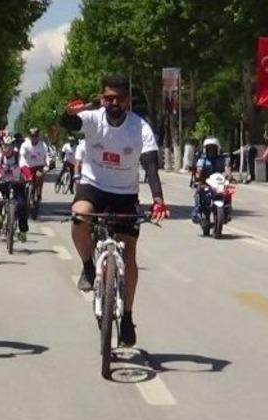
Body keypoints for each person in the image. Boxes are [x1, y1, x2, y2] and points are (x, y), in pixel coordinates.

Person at [60, 74, 169, 347]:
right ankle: (87, 266)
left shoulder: (139, 127)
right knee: (79, 215)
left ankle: (127, 318)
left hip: (125, 194)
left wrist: (158, 198)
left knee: (129, 252)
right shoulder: (93, 118)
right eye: (109, 98)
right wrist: (68, 113)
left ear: (128, 101)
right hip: (94, 187)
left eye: (119, 98)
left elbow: (151, 165)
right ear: (101, 99)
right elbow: (71, 123)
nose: (114, 103)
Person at [0, 135, 30, 242]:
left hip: (17, 184)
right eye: (5, 146)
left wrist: (28, 176)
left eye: (10, 146)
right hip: (3, 183)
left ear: (13, 146)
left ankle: (23, 231)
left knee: (22, 205)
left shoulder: (18, 157)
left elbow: (24, 167)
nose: (7, 148)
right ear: (2, 146)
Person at [192, 137, 229, 223]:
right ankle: (197, 213)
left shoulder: (222, 159)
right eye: (209, 148)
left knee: (228, 192)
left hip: (218, 182)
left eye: (213, 148)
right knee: (198, 192)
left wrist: (228, 175)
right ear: (206, 149)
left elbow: (227, 168)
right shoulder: (202, 159)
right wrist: (198, 174)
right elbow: (199, 169)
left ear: (217, 149)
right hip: (205, 181)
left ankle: (227, 211)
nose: (211, 151)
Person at [19, 127, 48, 203]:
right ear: (29, 136)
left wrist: (46, 166)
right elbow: (22, 156)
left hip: (39, 165)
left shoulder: (43, 145)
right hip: (28, 166)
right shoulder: (25, 145)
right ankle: (27, 194)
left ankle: (38, 194)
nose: (34, 138)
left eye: (36, 136)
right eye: (32, 136)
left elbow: (46, 156)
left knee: (39, 176)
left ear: (38, 136)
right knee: (25, 179)